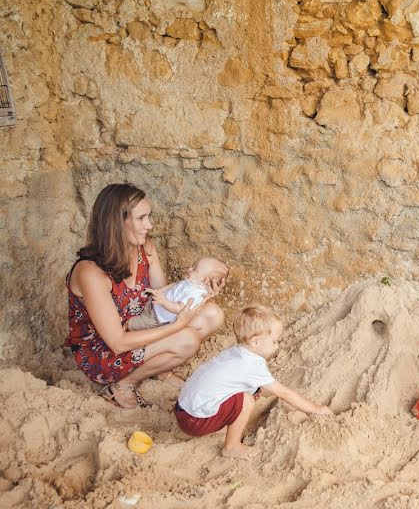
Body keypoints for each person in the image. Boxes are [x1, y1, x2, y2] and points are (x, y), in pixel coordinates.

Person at [66, 183, 225, 408]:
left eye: (148, 217)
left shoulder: (145, 249)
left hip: (142, 325)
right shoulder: (90, 272)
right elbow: (118, 342)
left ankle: (159, 369)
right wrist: (176, 328)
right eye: (141, 218)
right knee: (187, 340)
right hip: (104, 351)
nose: (149, 225)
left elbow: (163, 297)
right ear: (117, 222)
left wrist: (201, 293)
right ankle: (123, 385)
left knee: (213, 314)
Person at [174, 306, 334, 459]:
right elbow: (283, 393)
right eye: (275, 341)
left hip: (183, 411)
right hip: (194, 421)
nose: (277, 346)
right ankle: (232, 447)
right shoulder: (252, 365)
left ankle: (222, 425)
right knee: (246, 400)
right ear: (255, 342)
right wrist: (315, 409)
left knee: (254, 391)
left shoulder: (236, 352)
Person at [128, 257, 230, 331]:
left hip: (156, 318)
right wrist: (160, 291)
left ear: (205, 280)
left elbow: (179, 309)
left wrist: (163, 301)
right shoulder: (191, 281)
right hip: (155, 304)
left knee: (131, 324)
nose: (190, 269)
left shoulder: (195, 294)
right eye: (192, 266)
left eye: (194, 269)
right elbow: (175, 285)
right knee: (135, 312)